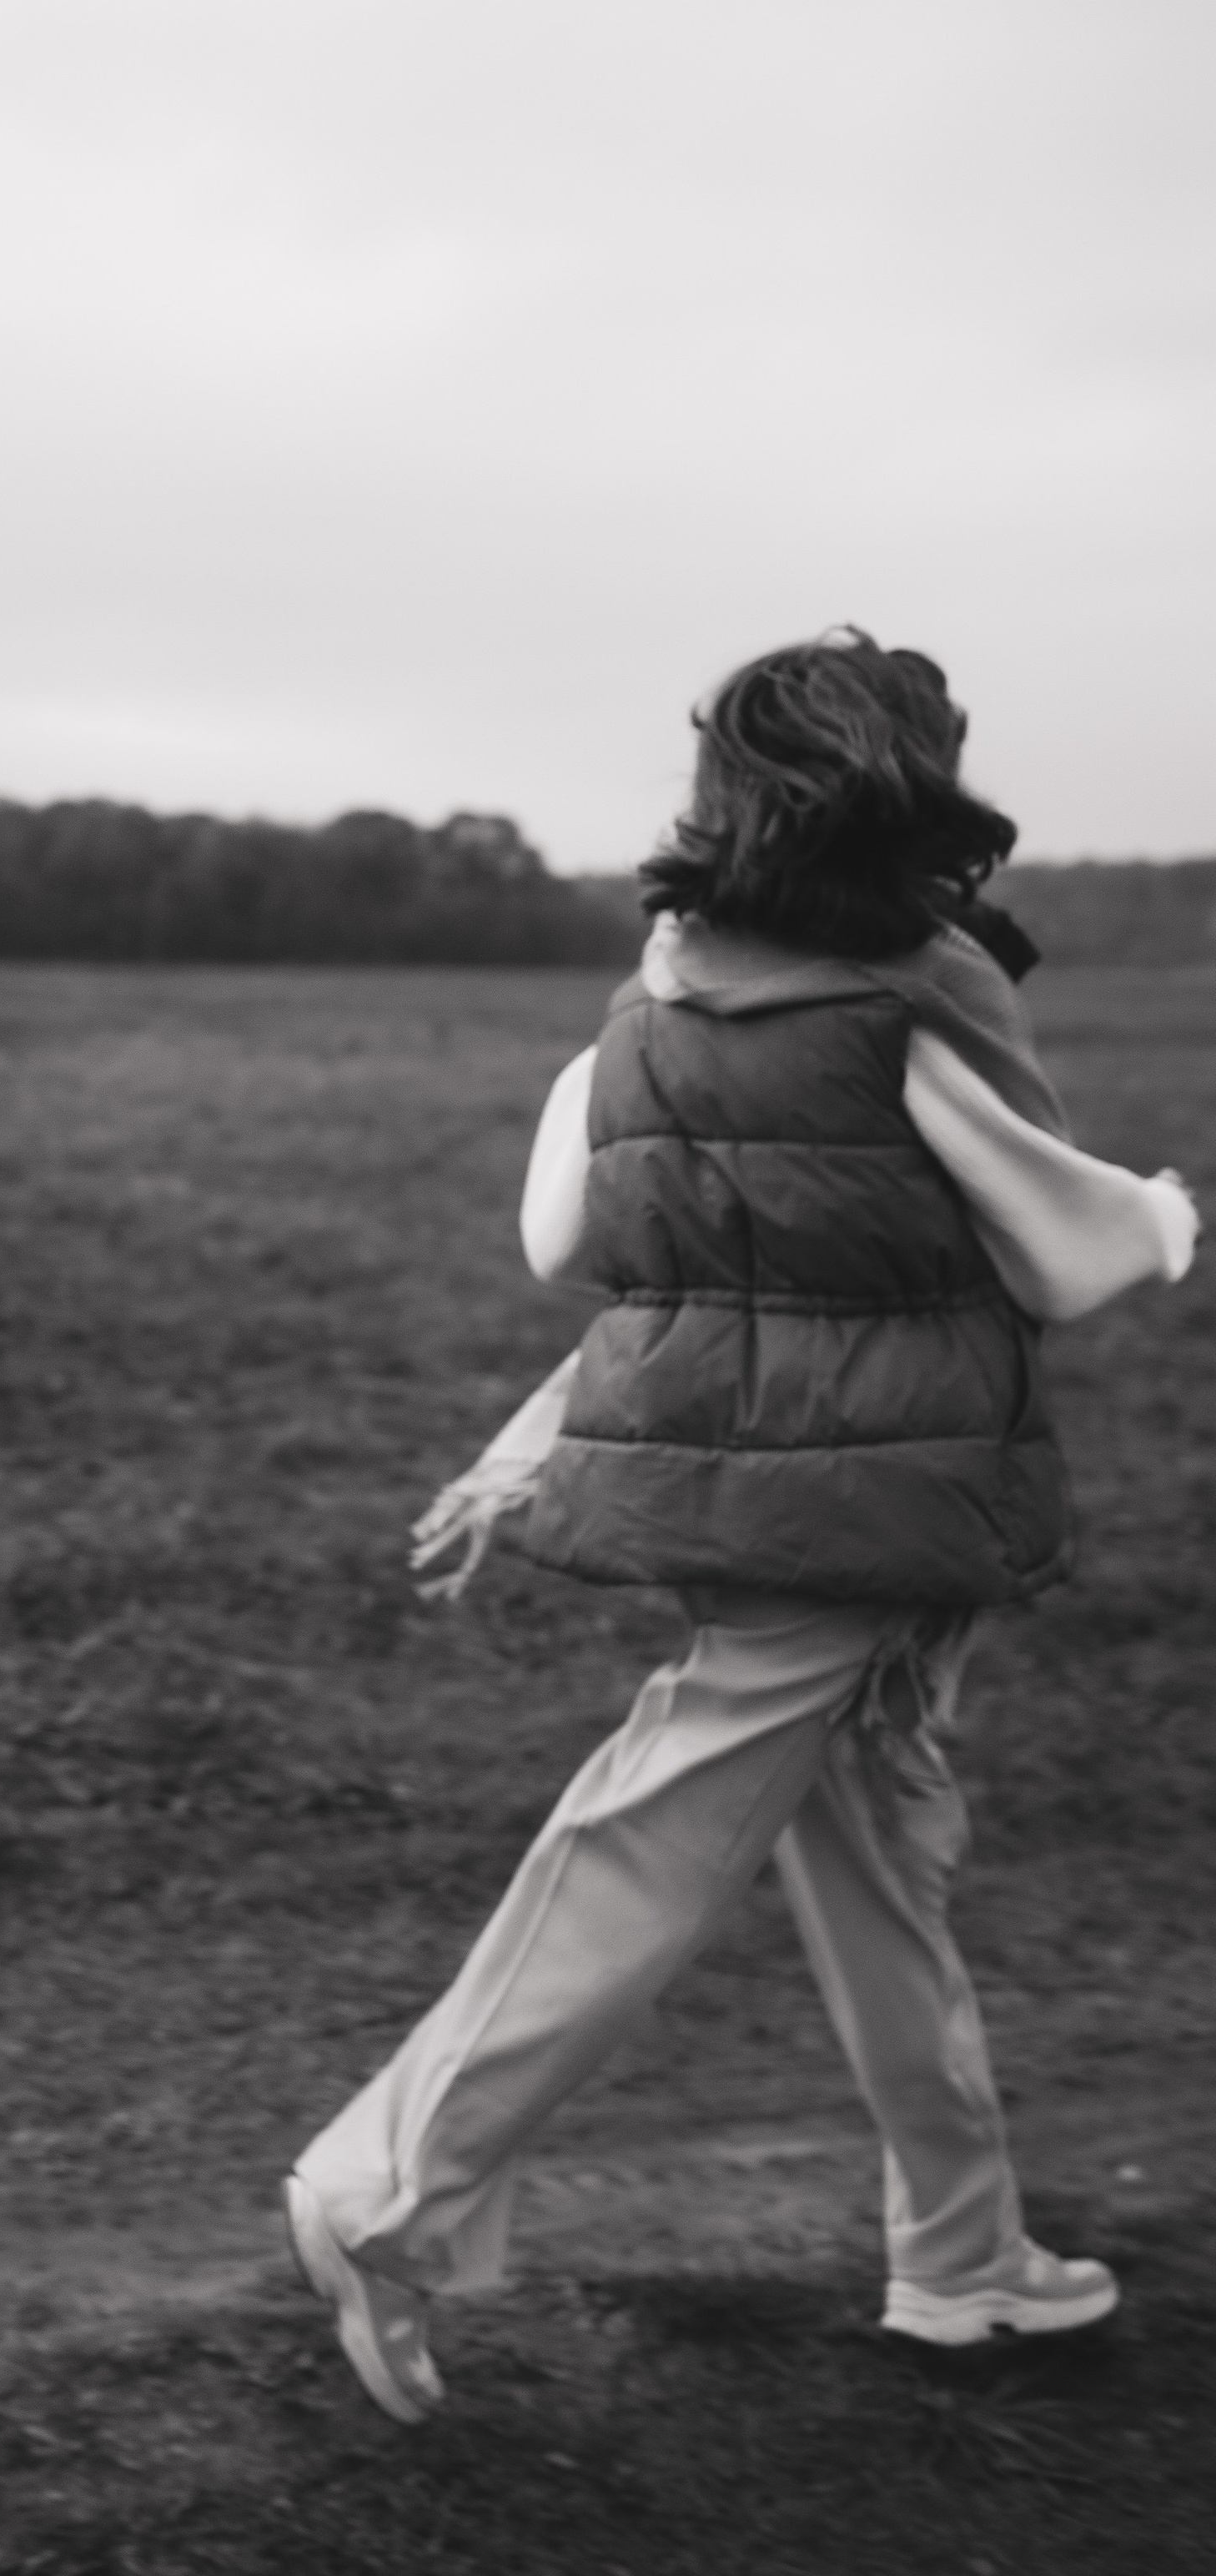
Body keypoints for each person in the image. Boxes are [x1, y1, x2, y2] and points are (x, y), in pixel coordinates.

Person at [283, 630, 1198, 2423]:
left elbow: (571, 1243)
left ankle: (958, 2256)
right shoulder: (913, 991)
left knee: (877, 1874)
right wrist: (1159, 1213)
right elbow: (1059, 1250)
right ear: (905, 787)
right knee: (651, 1829)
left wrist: (541, 1429)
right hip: (869, 1501)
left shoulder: (659, 992)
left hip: (733, 1488)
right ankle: (377, 2192)